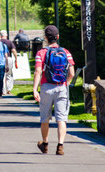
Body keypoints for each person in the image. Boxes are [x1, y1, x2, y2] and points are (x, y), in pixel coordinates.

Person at [32, 25, 75, 156]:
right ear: (57, 37)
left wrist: (35, 89)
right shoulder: (66, 52)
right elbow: (72, 73)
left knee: (45, 118)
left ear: (45, 38)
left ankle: (45, 144)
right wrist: (65, 84)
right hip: (61, 87)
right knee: (61, 119)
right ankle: (60, 146)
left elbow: (38, 71)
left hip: (46, 87)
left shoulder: (41, 53)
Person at [0, 30, 18, 95]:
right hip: (9, 59)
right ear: (6, 35)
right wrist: (16, 59)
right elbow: (14, 51)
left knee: (2, 75)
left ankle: (3, 90)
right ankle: (9, 89)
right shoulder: (9, 42)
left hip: (1, 59)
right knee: (9, 74)